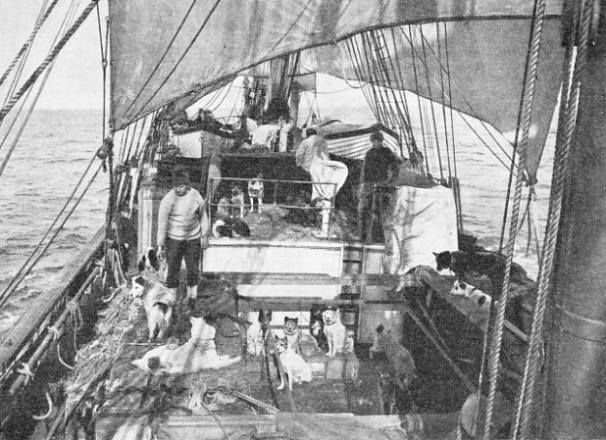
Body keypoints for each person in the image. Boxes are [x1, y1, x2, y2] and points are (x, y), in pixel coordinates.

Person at [157, 166, 209, 309]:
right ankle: (172, 298)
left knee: (193, 269)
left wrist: (205, 236)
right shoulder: (168, 199)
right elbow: (162, 224)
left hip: (193, 238)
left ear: (188, 185)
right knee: (173, 268)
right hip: (174, 239)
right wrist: (160, 246)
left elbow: (204, 216)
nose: (179, 189)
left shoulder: (196, 196)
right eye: (176, 186)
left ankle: (192, 296)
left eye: (182, 186)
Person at [296, 127, 348, 238]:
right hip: (322, 170)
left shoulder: (305, 141)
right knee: (323, 195)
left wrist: (299, 165)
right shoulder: (323, 141)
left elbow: (299, 155)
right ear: (315, 133)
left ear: (308, 134)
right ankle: (322, 223)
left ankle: (311, 217)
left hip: (309, 170)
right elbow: (326, 155)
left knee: (312, 194)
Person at [358, 131, 400, 243]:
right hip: (369, 185)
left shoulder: (387, 152)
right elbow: (364, 170)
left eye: (378, 141)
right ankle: (363, 237)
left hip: (382, 185)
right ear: (372, 142)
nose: (376, 143)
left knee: (379, 212)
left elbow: (395, 167)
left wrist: (389, 180)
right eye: (374, 141)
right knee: (363, 210)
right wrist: (362, 185)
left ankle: (378, 238)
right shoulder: (369, 153)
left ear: (381, 141)